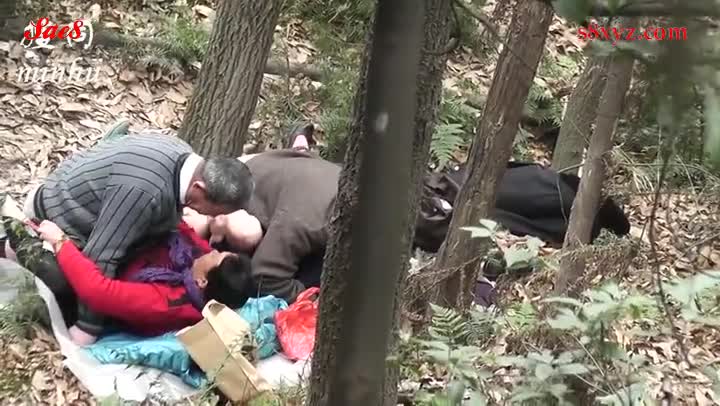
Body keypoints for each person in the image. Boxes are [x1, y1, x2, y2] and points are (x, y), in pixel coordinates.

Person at [17, 133, 254, 344]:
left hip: (85, 197)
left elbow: (99, 287)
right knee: (61, 278)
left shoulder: (181, 155)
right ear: (199, 189)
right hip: (58, 213)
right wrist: (88, 327)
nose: (214, 218)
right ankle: (17, 242)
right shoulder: (144, 192)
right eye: (216, 211)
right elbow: (100, 258)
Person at [4, 215, 253, 337]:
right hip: (128, 249)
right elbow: (182, 228)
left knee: (50, 270)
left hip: (101, 272)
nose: (212, 250)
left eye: (216, 255)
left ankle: (10, 239)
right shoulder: (197, 261)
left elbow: (97, 291)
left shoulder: (165, 303)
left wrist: (60, 242)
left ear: (202, 282)